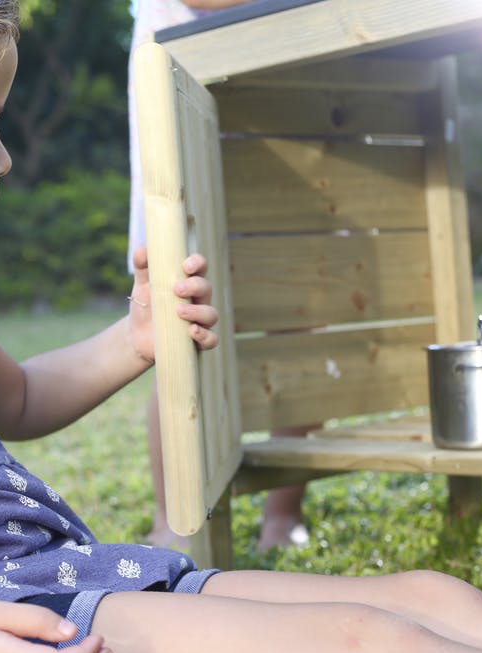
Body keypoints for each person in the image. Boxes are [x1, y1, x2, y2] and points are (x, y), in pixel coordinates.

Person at [0, 2, 482, 653]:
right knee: (368, 647)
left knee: (435, 597)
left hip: (69, 574)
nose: (2, 160)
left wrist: (135, 338)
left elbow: (20, 398)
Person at [128, 0, 311, 551]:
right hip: (181, 76)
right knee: (176, 323)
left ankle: (283, 515)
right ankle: (174, 520)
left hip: (282, 91)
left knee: (299, 310)